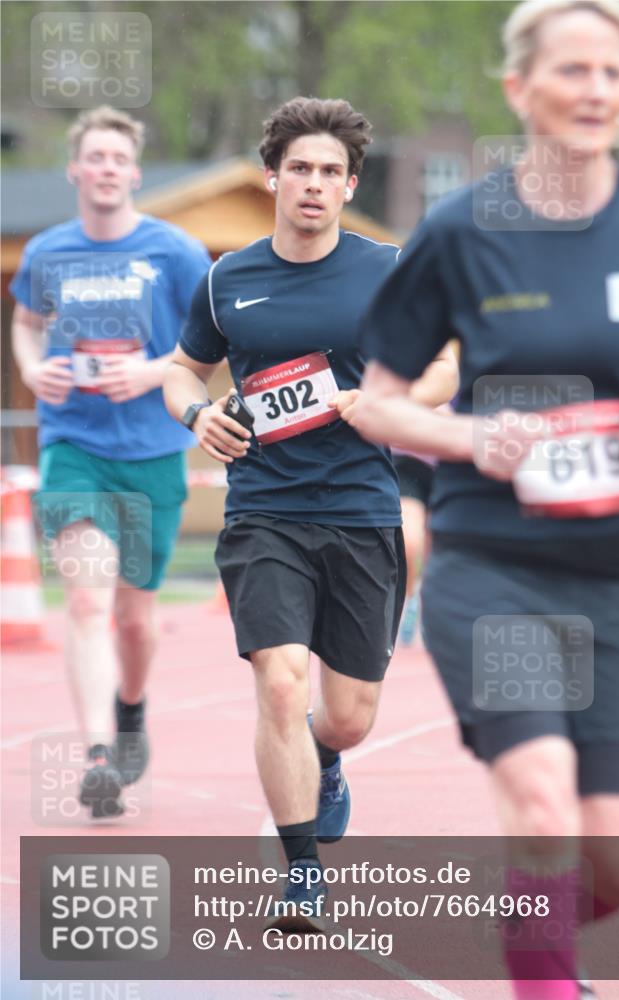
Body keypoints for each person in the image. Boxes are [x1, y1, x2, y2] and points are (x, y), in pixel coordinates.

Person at [355, 1, 619, 997]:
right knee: (540, 810)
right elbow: (375, 403)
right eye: (572, 69)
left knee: (615, 859)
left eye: (611, 72)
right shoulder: (460, 229)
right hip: (498, 566)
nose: (595, 90)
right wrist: (470, 437)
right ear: (518, 87)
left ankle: (533, 930)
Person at [163, 96, 406, 927]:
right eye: (299, 168)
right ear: (272, 177)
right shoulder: (226, 279)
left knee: (348, 717)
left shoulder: (387, 269)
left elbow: (443, 363)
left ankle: (325, 757)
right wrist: (198, 414)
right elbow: (181, 369)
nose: (313, 183)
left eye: (330, 171)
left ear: (349, 186)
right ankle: (301, 869)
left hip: (362, 510)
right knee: (278, 682)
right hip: (264, 510)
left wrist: (382, 401)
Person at [11, 106, 211, 818]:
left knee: (134, 620)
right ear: (75, 169)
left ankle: (131, 707)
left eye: (118, 159)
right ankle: (98, 757)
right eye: (94, 157)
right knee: (88, 600)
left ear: (134, 172)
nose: (106, 169)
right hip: (74, 445)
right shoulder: (48, 252)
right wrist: (32, 370)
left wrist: (153, 372)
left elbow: (208, 340)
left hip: (153, 451)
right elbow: (26, 324)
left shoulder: (175, 251)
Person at [393, 342, 459, 645]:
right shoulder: (409, 345)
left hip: (450, 467)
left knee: (439, 550)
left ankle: (427, 604)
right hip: (409, 462)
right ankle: (407, 600)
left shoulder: (476, 357)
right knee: (410, 541)